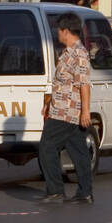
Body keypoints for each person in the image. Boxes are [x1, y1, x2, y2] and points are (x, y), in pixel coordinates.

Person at [38, 14, 94, 204]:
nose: (57, 34)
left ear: (66, 31)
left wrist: (85, 111)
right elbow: (63, 83)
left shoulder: (78, 54)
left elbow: (84, 84)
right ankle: (85, 192)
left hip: (66, 112)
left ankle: (55, 191)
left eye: (59, 31)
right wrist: (48, 102)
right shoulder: (68, 52)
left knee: (47, 146)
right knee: (79, 152)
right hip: (63, 110)